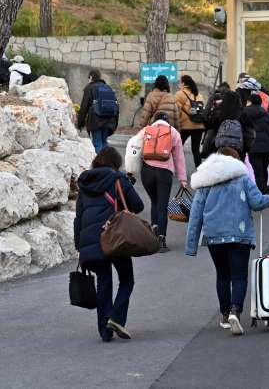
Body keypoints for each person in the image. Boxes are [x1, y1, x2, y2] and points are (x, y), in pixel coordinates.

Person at [185, 147, 269, 335]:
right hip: (240, 235)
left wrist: (191, 245)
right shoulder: (242, 178)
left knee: (223, 275)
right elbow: (257, 201)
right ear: (236, 161)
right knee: (239, 276)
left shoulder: (205, 182)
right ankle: (236, 310)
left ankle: (225, 315)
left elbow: (195, 215)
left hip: (214, 237)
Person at [74, 147, 145, 342]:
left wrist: (79, 246)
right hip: (115, 237)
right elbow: (138, 205)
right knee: (126, 280)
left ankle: (105, 331)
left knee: (104, 281)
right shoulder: (118, 179)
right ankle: (116, 318)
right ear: (115, 163)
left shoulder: (85, 184)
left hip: (91, 242)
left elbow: (78, 218)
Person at [141, 112, 187, 252]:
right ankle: (161, 240)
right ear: (167, 121)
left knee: (154, 202)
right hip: (164, 172)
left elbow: (135, 150)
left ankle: (153, 235)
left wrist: (132, 171)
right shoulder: (173, 132)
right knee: (162, 206)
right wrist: (182, 178)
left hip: (147, 171)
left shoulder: (146, 130)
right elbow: (179, 157)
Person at [244, 93, 269, 194]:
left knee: (257, 171)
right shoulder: (267, 115)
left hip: (253, 147)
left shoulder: (244, 114)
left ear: (250, 102)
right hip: (267, 148)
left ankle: (261, 192)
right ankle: (264, 190)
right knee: (264, 169)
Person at [204, 89, 255, 161]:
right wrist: (245, 148)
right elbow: (250, 135)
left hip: (217, 152)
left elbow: (209, 128)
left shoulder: (218, 114)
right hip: (238, 153)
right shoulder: (243, 115)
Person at [77, 69, 119, 153]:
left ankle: (100, 164)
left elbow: (84, 106)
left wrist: (80, 123)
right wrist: (115, 123)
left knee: (97, 143)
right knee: (104, 142)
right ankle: (106, 163)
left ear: (91, 77)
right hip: (109, 119)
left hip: (96, 120)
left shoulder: (90, 87)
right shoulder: (107, 87)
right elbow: (116, 106)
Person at [175, 75, 205, 168]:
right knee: (196, 150)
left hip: (185, 126)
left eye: (180, 82)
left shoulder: (180, 94)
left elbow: (177, 111)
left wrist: (177, 124)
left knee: (178, 148)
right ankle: (199, 169)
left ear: (183, 83)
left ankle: (177, 168)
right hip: (199, 126)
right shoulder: (198, 95)